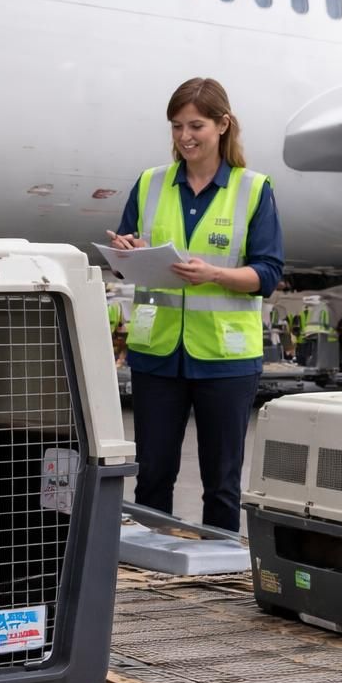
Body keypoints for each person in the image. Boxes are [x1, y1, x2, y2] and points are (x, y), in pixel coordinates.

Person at [107, 77, 283, 531]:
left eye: (196, 126)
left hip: (225, 360)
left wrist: (216, 274)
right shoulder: (149, 184)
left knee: (221, 481)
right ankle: (151, 564)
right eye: (176, 126)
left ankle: (219, 564)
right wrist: (127, 251)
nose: (185, 136)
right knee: (153, 474)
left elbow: (267, 274)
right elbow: (126, 265)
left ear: (223, 125)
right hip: (157, 354)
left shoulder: (253, 189)